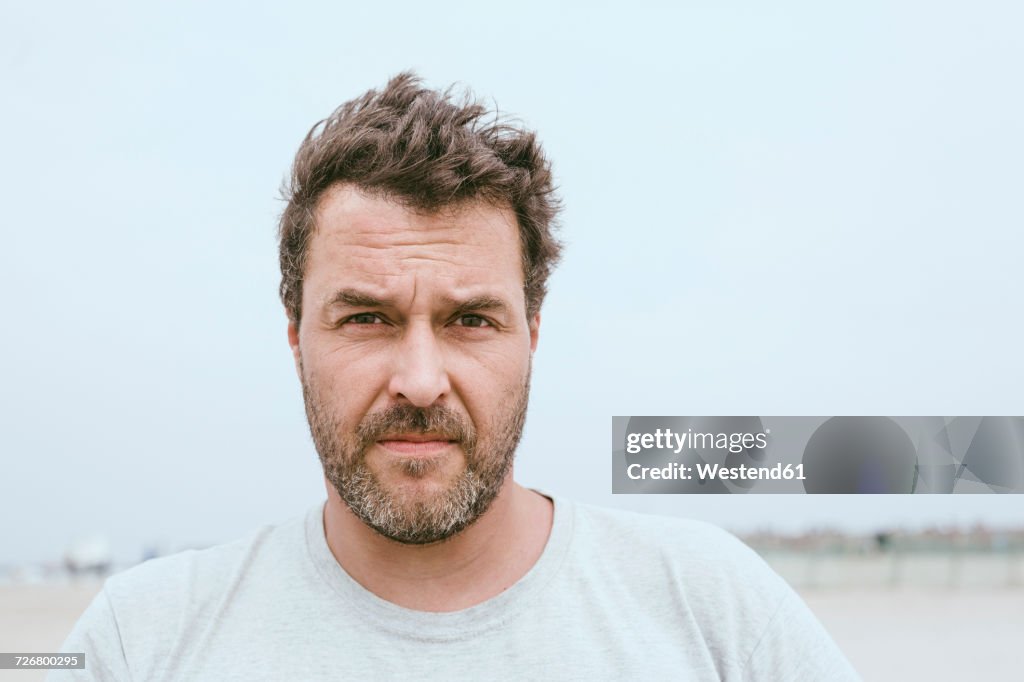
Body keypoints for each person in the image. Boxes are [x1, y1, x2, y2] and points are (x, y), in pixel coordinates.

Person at [55, 73, 859, 681]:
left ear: (531, 337)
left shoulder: (711, 609)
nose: (419, 379)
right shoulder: (144, 640)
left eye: (470, 320)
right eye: (366, 318)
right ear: (297, 339)